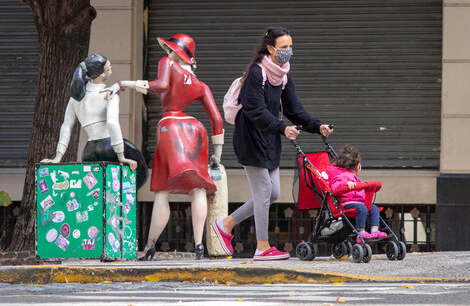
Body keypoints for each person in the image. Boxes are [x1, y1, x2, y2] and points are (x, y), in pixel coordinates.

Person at [211, 26, 333, 261]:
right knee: (264, 191)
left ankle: (226, 224)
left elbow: (294, 109)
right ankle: (262, 247)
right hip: (251, 138)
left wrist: (317, 126)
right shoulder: (257, 73)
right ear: (270, 48)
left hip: (269, 138)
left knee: (273, 192)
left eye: (290, 46)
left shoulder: (283, 75)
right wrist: (282, 128)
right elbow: (255, 111)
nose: (288, 51)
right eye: (284, 47)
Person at [104, 34, 224, 260]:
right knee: (198, 188)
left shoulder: (166, 63)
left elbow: (160, 85)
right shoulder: (201, 85)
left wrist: (123, 84)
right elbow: (216, 119)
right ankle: (199, 246)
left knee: (162, 191)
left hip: (170, 126)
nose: (167, 53)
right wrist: (217, 154)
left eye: (170, 49)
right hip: (195, 130)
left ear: (176, 53)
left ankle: (150, 246)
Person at [42, 54, 148, 190]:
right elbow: (112, 123)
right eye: (109, 69)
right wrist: (121, 156)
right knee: (133, 182)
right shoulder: (110, 94)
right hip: (110, 147)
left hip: (89, 151)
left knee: (94, 193)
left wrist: (58, 157)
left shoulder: (76, 97)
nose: (111, 71)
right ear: (101, 75)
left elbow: (67, 125)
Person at [326, 144, 387, 243]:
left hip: (359, 202)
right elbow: (335, 186)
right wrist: (346, 183)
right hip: (348, 203)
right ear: (358, 166)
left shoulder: (355, 177)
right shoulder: (342, 175)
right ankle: (361, 232)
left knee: (373, 208)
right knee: (362, 208)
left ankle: (375, 230)